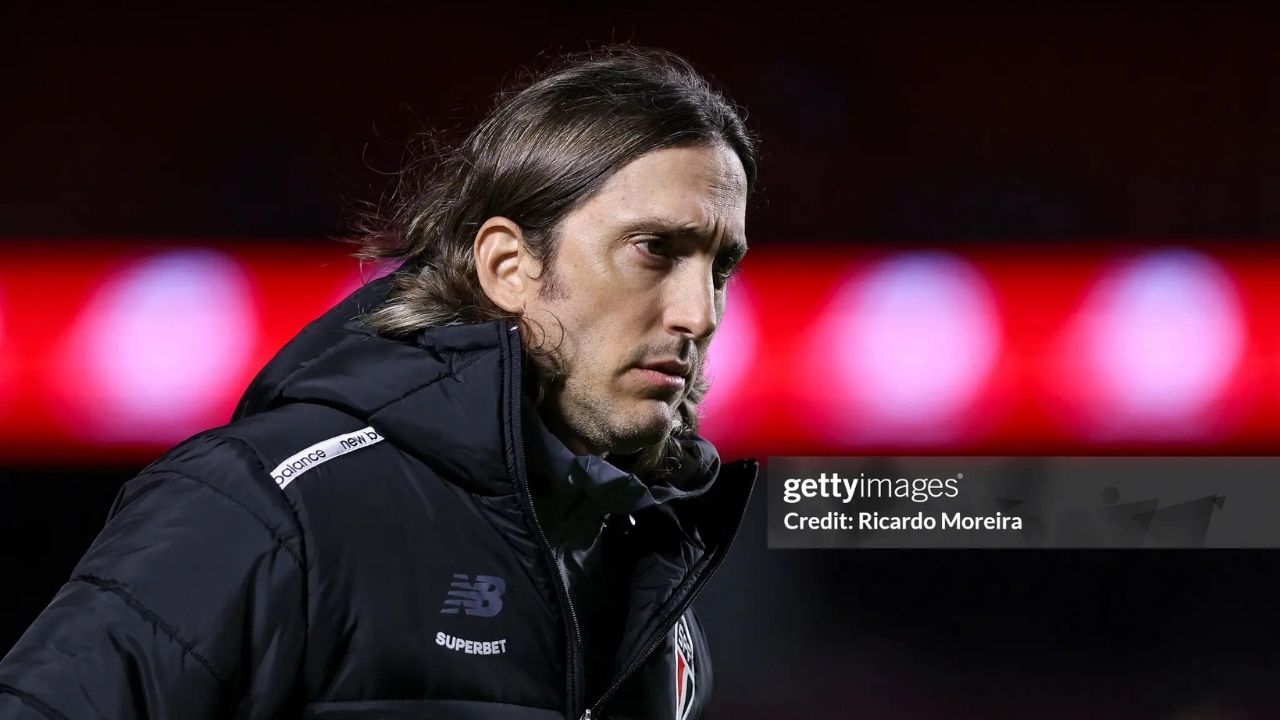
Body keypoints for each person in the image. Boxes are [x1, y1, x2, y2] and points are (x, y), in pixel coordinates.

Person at [0, 45, 758, 720]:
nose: (699, 312)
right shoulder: (272, 503)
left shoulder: (654, 581)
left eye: (721, 268)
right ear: (508, 266)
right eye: (655, 249)